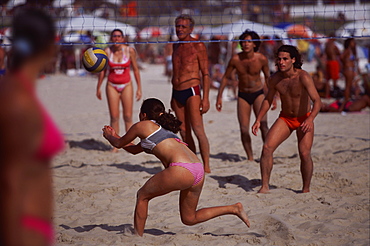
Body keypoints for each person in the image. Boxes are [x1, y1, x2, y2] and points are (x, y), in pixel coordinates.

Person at [102, 98, 250, 236]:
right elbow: (134, 149)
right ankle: (234, 208)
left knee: (142, 196)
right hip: (198, 169)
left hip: (181, 169)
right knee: (189, 218)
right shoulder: (165, 130)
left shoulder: (143, 125)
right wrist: (115, 136)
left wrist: (110, 135)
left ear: (143, 114)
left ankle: (138, 237)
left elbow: (119, 143)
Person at [0, 7, 64, 245]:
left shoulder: (18, 91)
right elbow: (9, 184)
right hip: (22, 231)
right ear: (51, 48)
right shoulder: (17, 101)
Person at [251, 45, 322, 194]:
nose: (281, 62)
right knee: (267, 148)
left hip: (304, 118)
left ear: (293, 60)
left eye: (285, 59)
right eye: (279, 59)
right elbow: (267, 100)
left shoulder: (303, 76)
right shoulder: (275, 78)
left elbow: (317, 100)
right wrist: (258, 119)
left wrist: (310, 120)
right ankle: (264, 186)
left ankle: (306, 189)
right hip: (286, 118)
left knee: (304, 153)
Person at [216, 30, 271, 161]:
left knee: (263, 124)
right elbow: (225, 78)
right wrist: (219, 97)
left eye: (249, 41)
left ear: (254, 44)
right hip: (243, 95)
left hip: (258, 93)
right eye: (244, 41)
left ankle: (267, 152)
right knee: (244, 128)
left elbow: (269, 79)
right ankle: (250, 157)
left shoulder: (261, 59)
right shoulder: (236, 59)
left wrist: (272, 97)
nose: (246, 44)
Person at [171, 14, 211, 173]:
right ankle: (195, 162)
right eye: (178, 26)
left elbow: (206, 73)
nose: (180, 29)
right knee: (184, 131)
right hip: (176, 91)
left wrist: (206, 98)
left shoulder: (198, 45)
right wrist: (172, 95)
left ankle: (206, 165)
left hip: (192, 89)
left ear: (191, 29)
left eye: (183, 27)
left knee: (198, 129)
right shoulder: (175, 46)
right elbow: (175, 72)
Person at [96, 29, 142, 152]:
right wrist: (98, 87)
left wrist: (139, 88)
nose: (116, 38)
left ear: (122, 38)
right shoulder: (107, 51)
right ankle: (115, 145)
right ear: (111, 38)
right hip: (111, 85)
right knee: (114, 116)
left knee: (128, 116)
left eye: (118, 36)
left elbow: (136, 70)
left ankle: (129, 142)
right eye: (114, 36)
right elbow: (103, 70)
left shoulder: (129, 50)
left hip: (126, 84)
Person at [341, 38, 359, 102]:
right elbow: (341, 57)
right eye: (352, 42)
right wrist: (346, 62)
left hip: (350, 69)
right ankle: (346, 100)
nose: (354, 43)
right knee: (348, 86)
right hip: (348, 69)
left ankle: (347, 99)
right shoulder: (348, 50)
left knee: (350, 86)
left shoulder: (351, 50)